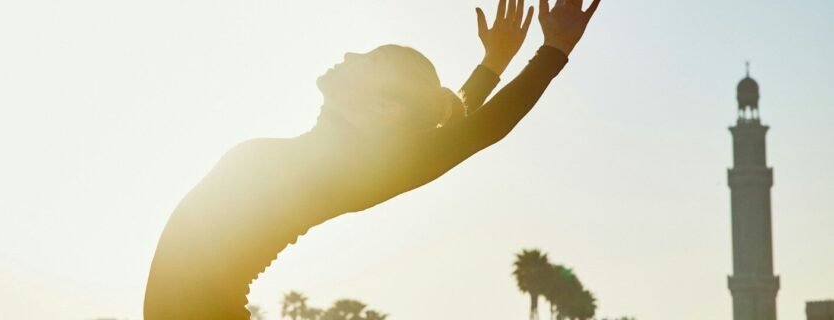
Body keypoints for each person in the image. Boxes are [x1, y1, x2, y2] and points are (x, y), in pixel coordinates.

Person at [144, 0, 601, 318]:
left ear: (386, 108)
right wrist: (491, 66)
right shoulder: (331, 158)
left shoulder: (349, 173)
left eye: (370, 58)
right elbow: (444, 129)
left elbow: (473, 134)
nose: (350, 54)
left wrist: (552, 51)